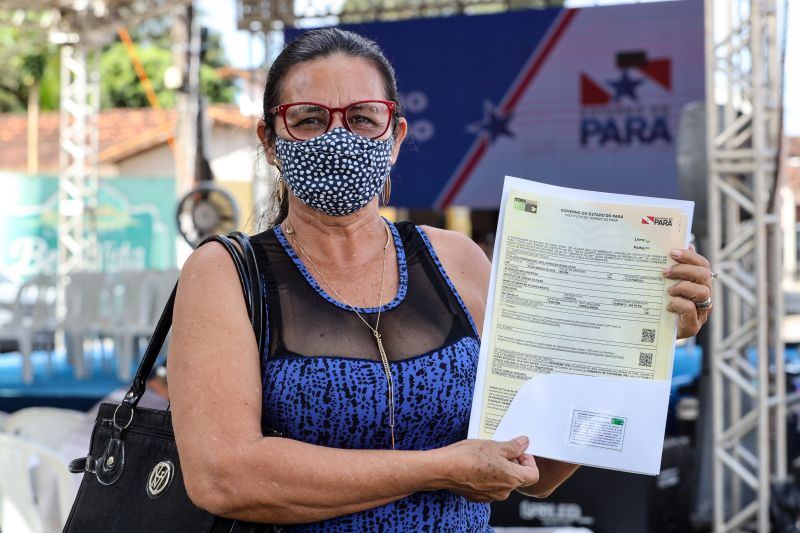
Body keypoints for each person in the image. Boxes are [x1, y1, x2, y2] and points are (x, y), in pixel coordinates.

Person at [168, 28, 714, 531]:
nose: (338, 137)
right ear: (269, 140)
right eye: (309, 118)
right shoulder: (227, 274)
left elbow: (538, 470)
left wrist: (640, 340)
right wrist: (439, 469)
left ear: (396, 135)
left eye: (362, 117)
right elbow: (225, 477)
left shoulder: (456, 261)